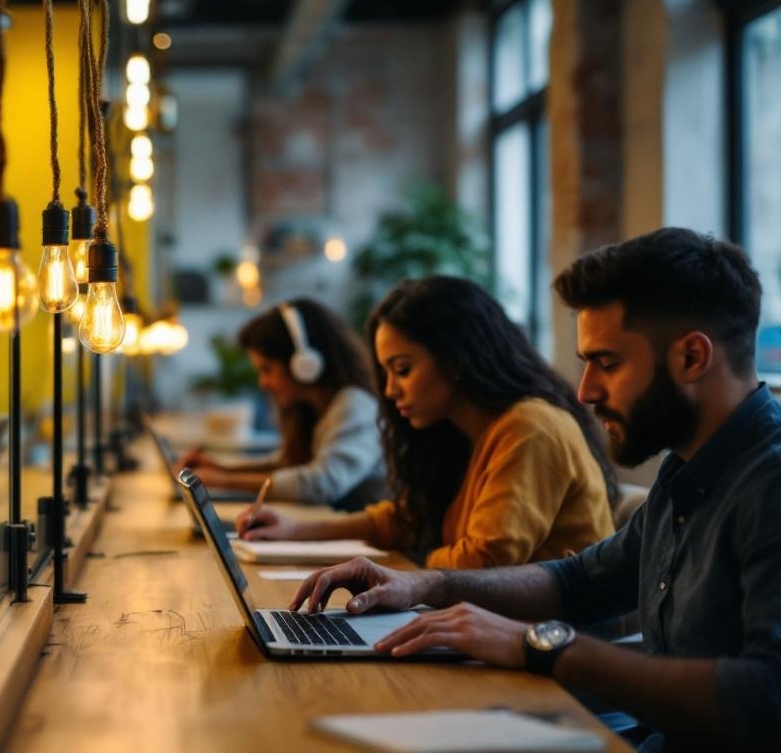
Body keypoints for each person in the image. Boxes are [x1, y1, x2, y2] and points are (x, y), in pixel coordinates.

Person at [288, 229, 781, 751]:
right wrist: (426, 586)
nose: (585, 390)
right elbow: (579, 581)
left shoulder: (768, 484)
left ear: (692, 358)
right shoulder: (685, 471)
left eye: (607, 363)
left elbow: (767, 698)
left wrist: (542, 644)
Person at [238, 277, 617, 568]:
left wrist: (406, 568)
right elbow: (407, 518)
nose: (390, 390)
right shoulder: (461, 432)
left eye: (403, 370)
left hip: (555, 636)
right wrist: (295, 530)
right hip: (492, 623)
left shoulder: (530, 426)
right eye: (386, 373)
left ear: (456, 358)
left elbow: (484, 561)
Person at [176, 298, 386, 510]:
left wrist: (224, 481)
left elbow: (320, 483)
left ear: (304, 363)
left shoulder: (355, 406)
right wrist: (222, 469)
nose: (263, 383)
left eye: (267, 369)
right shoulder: (312, 410)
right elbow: (287, 464)